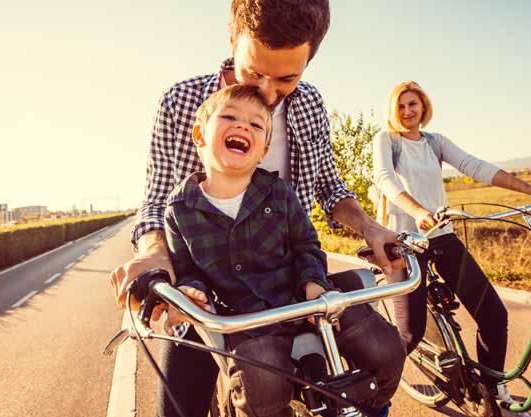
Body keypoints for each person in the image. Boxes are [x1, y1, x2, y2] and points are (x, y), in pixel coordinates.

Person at [109, 2, 405, 415]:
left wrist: (372, 229)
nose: (268, 94)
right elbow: (158, 199)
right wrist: (155, 255)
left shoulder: (310, 105)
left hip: (294, 285)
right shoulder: (181, 102)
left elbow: (328, 187)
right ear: (233, 42)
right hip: (212, 298)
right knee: (178, 406)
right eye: (254, 73)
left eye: (287, 78)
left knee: (359, 393)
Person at [164, 84, 404, 417]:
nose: (243, 126)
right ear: (200, 136)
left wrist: (313, 284)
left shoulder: (279, 193)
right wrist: (192, 292)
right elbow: (189, 271)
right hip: (250, 318)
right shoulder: (179, 211)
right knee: (258, 388)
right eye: (229, 117)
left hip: (308, 299)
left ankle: (371, 405)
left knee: (386, 348)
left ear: (262, 149)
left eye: (256, 125)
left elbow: (306, 244)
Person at [372, 80, 531, 415]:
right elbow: (385, 179)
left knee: (492, 314)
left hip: (441, 235)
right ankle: (372, 394)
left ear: (423, 106)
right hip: (404, 242)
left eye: (413, 104)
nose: (407, 111)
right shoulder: (387, 140)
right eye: (400, 106)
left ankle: (493, 392)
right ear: (392, 110)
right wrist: (417, 212)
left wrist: (529, 188)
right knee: (410, 335)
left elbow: (476, 167)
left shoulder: (435, 142)